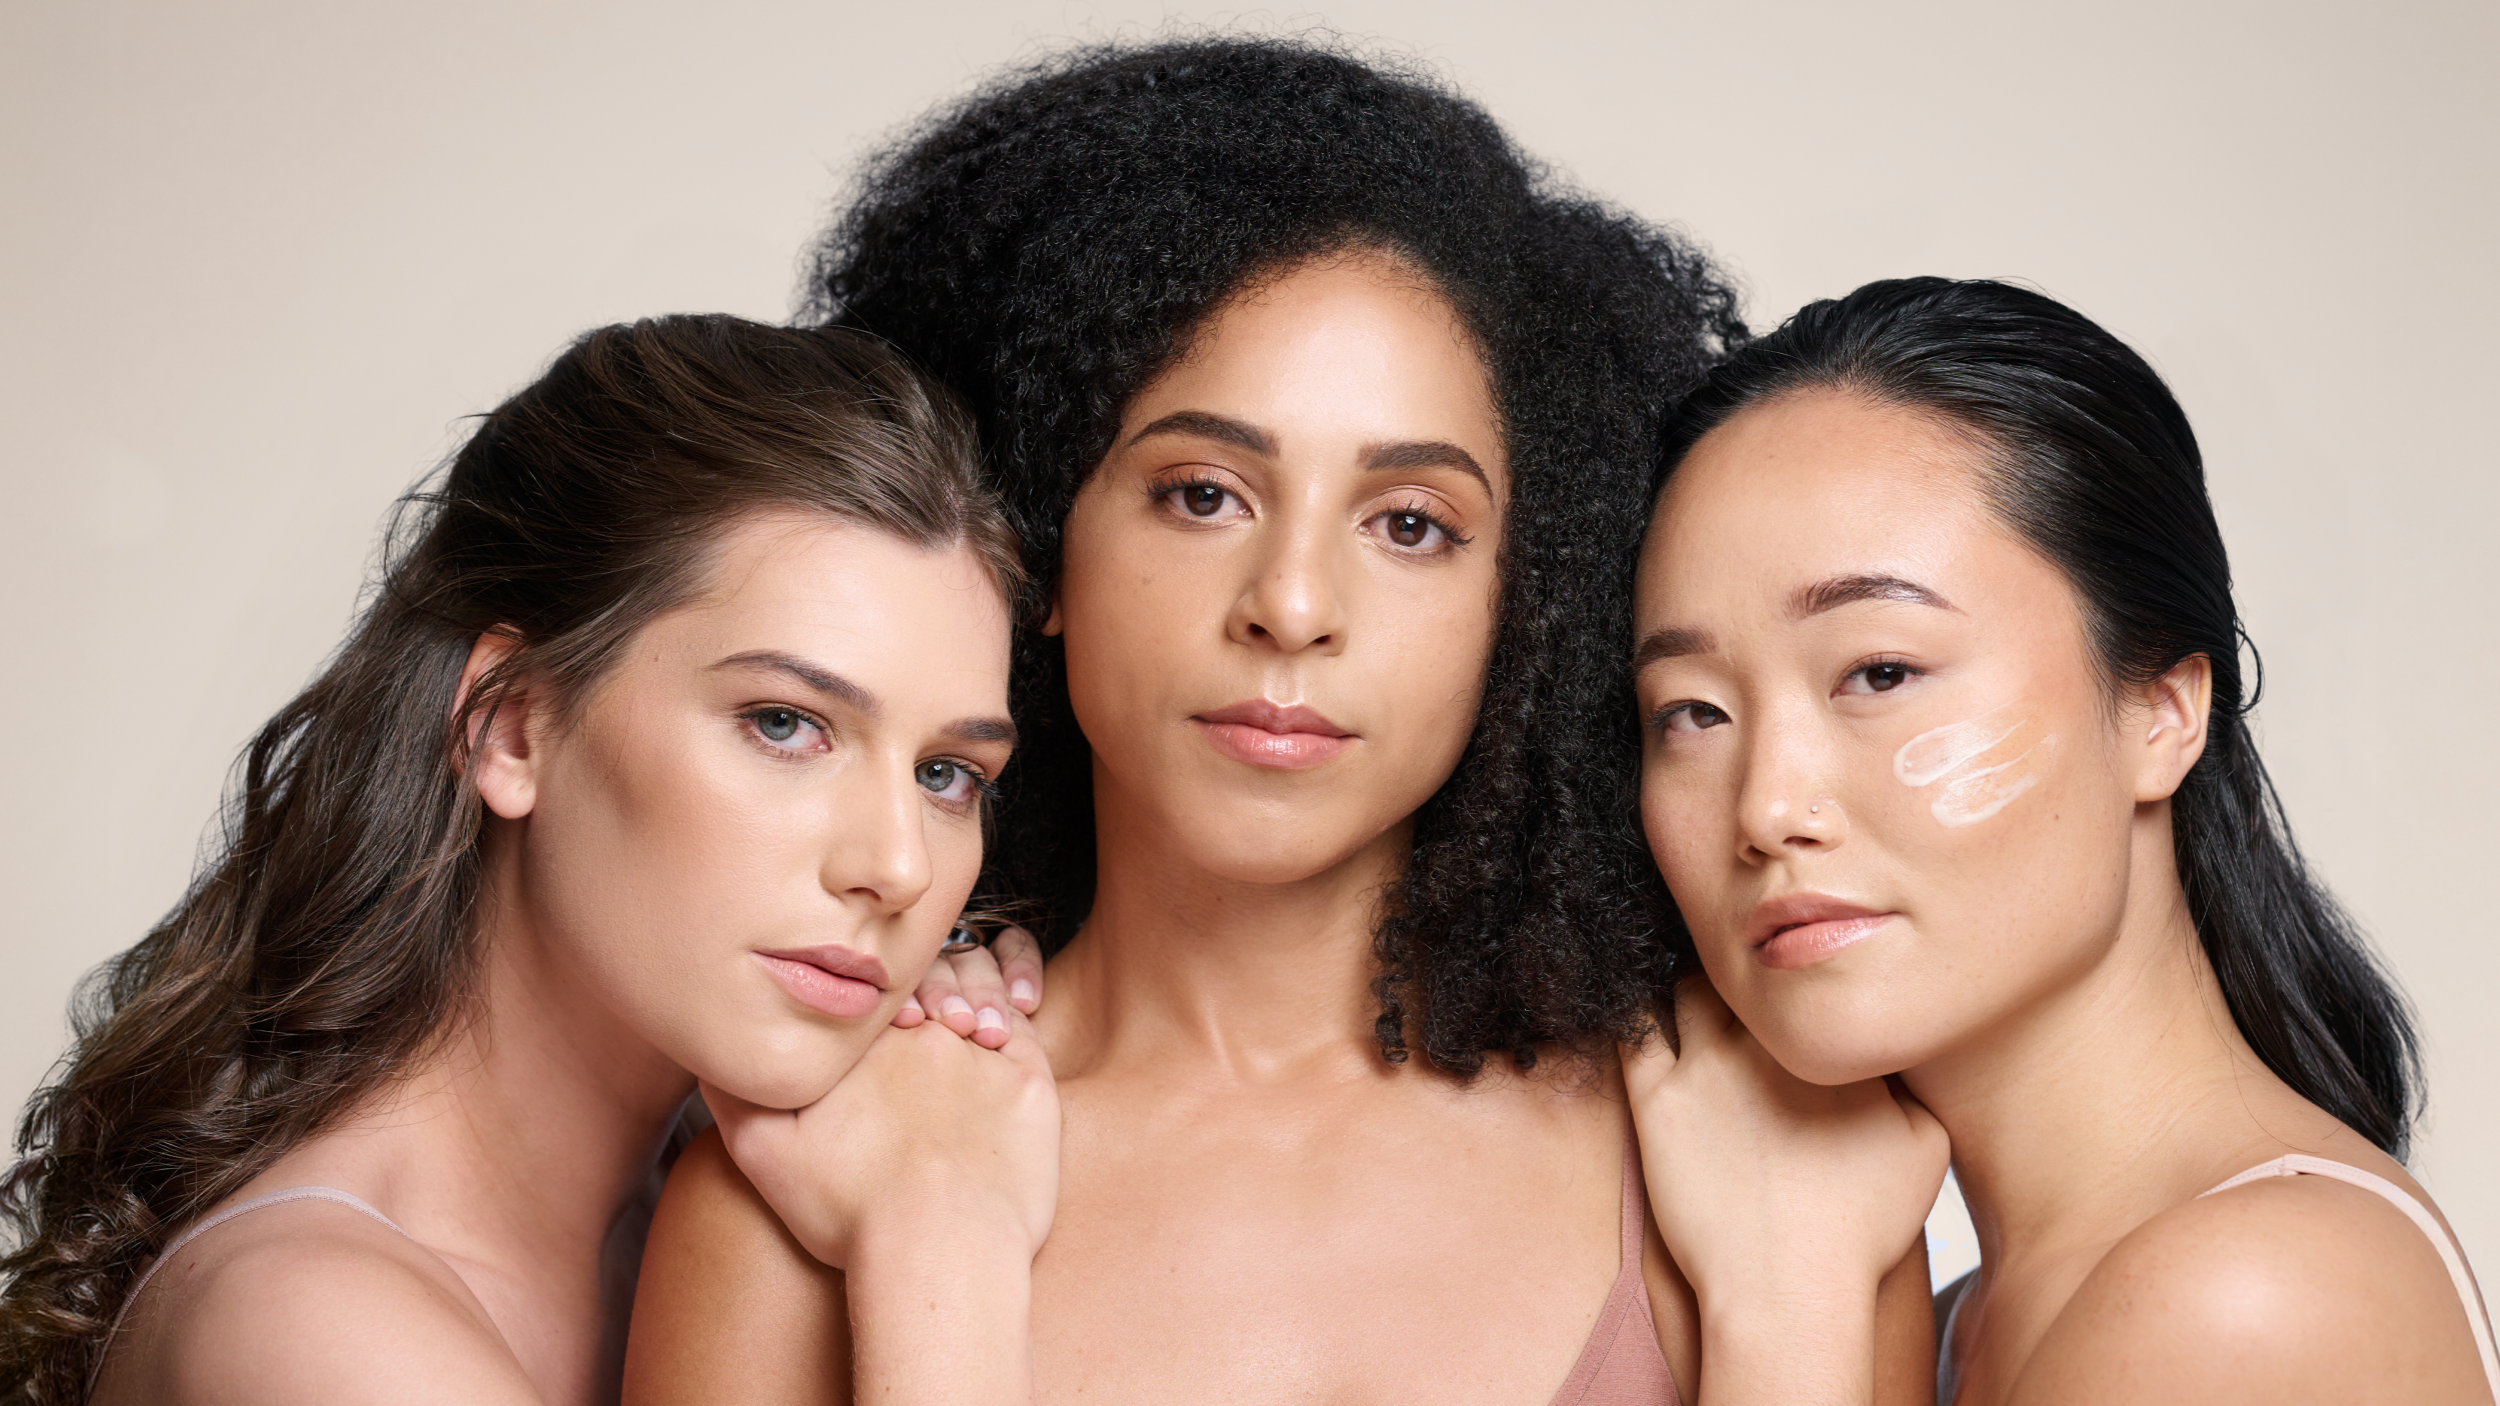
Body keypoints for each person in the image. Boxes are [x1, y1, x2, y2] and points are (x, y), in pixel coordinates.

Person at [626, 40, 1934, 1406]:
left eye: (1412, 524)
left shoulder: (1764, 1176)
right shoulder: (807, 1174)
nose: (1294, 604)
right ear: (1039, 541)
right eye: (1203, 493)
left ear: (1526, 601)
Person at [0, 316, 1057, 1405]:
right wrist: (944, 1231)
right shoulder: (317, 1330)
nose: (896, 864)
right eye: (785, 723)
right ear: (510, 724)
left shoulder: (738, 1220)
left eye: (946, 775)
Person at [1625, 276, 2497, 1405]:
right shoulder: (1958, 1316)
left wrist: (1781, 1313)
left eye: (1879, 671)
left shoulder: (2245, 1296)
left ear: (2162, 708)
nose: (1765, 805)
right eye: (1691, 711)